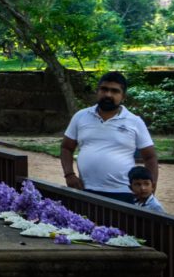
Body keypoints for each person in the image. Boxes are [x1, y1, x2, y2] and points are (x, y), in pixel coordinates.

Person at [60, 71, 158, 203]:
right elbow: (66, 147)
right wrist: (69, 174)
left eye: (114, 91)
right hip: (85, 189)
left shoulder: (135, 122)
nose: (108, 94)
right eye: (104, 89)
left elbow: (150, 157)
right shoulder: (80, 116)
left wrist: (150, 189)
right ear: (97, 91)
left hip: (124, 192)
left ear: (123, 96)